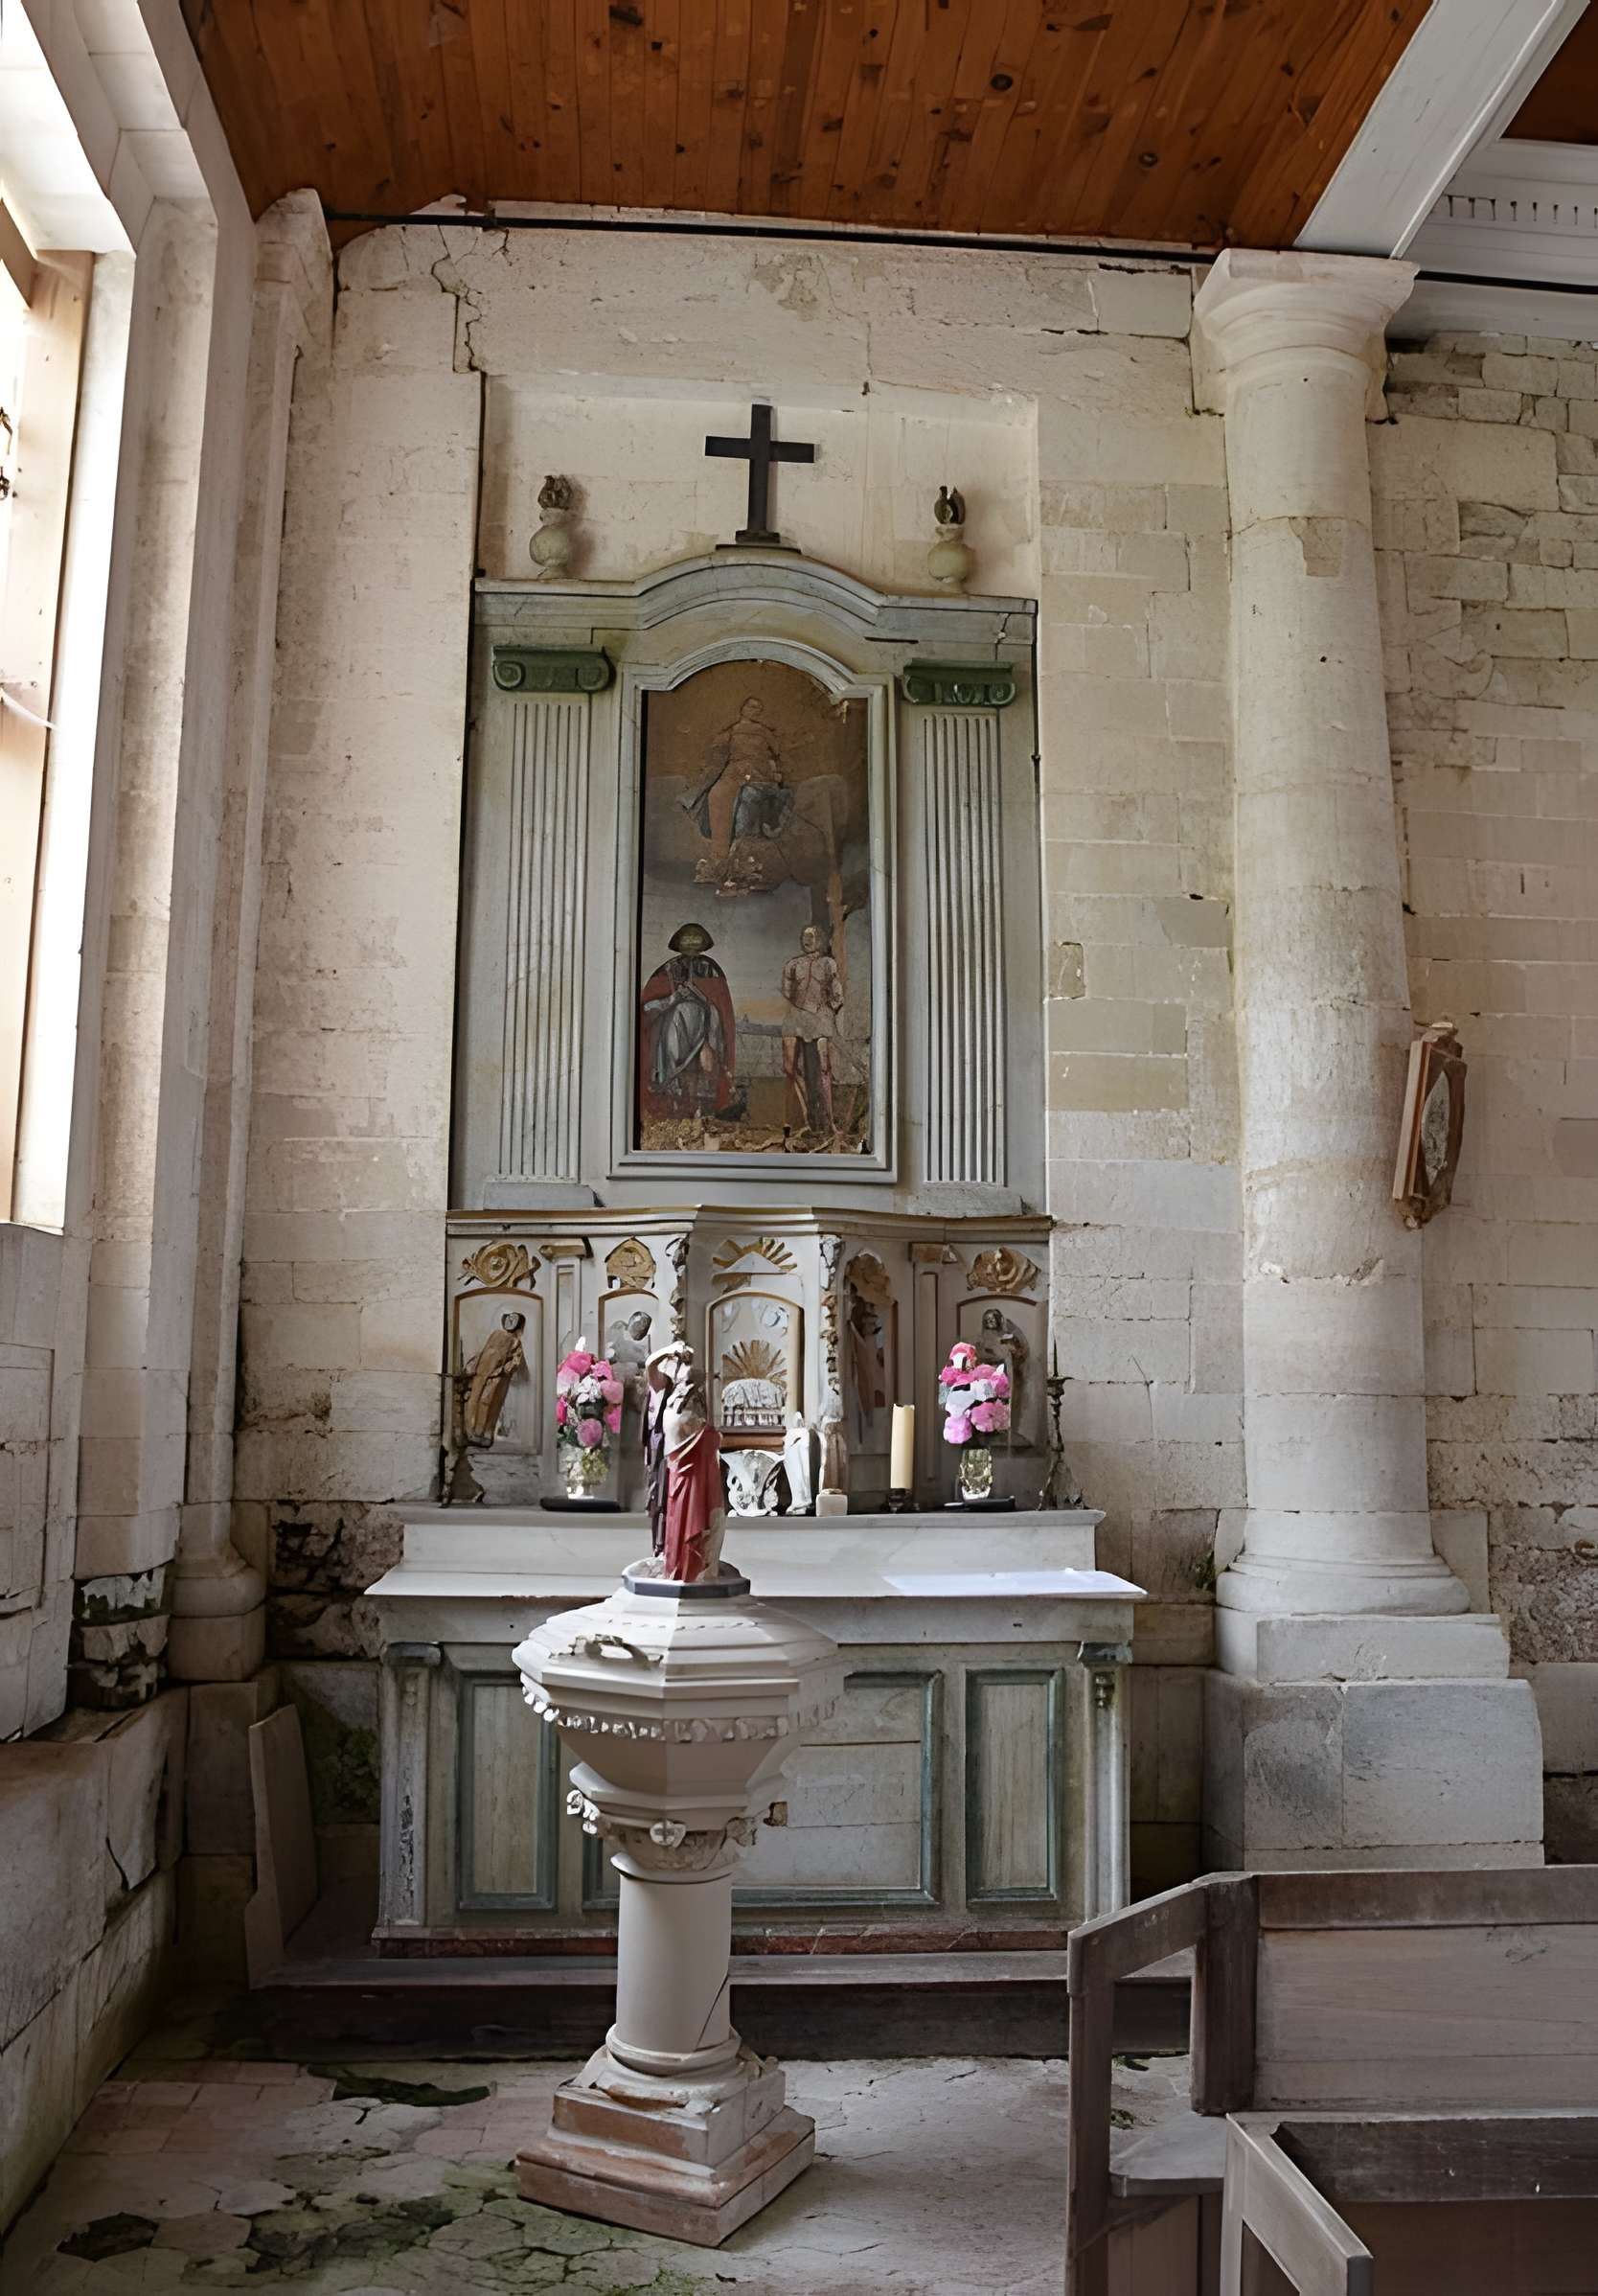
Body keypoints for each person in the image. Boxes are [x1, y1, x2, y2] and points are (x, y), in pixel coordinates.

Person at [681, 696, 791, 862]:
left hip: (759, 772)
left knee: (748, 800)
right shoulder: (731, 731)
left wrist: (777, 771)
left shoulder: (763, 731)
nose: (754, 711)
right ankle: (719, 855)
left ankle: (743, 856)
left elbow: (779, 753)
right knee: (716, 795)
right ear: (742, 708)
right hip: (733, 771)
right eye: (751, 707)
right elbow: (716, 754)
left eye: (758, 709)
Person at [782, 922, 845, 1136]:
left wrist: (824, 1012)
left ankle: (830, 1121)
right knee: (790, 1069)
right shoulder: (793, 965)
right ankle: (807, 1114)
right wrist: (802, 1010)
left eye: (812, 937)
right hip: (797, 1017)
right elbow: (787, 990)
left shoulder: (828, 964)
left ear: (820, 939)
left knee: (825, 1071)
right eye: (804, 937)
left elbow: (837, 994)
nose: (807, 941)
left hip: (820, 1019)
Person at [461, 1311, 526, 1447]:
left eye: (514, 1320)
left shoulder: (515, 1342)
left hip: (497, 1378)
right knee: (474, 1400)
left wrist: (501, 1371)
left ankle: (484, 1434)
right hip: (481, 1373)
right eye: (509, 1318)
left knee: (489, 1403)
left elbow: (515, 1361)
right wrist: (473, 1364)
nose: (510, 1321)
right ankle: (471, 1432)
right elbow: (485, 1350)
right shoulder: (496, 1334)